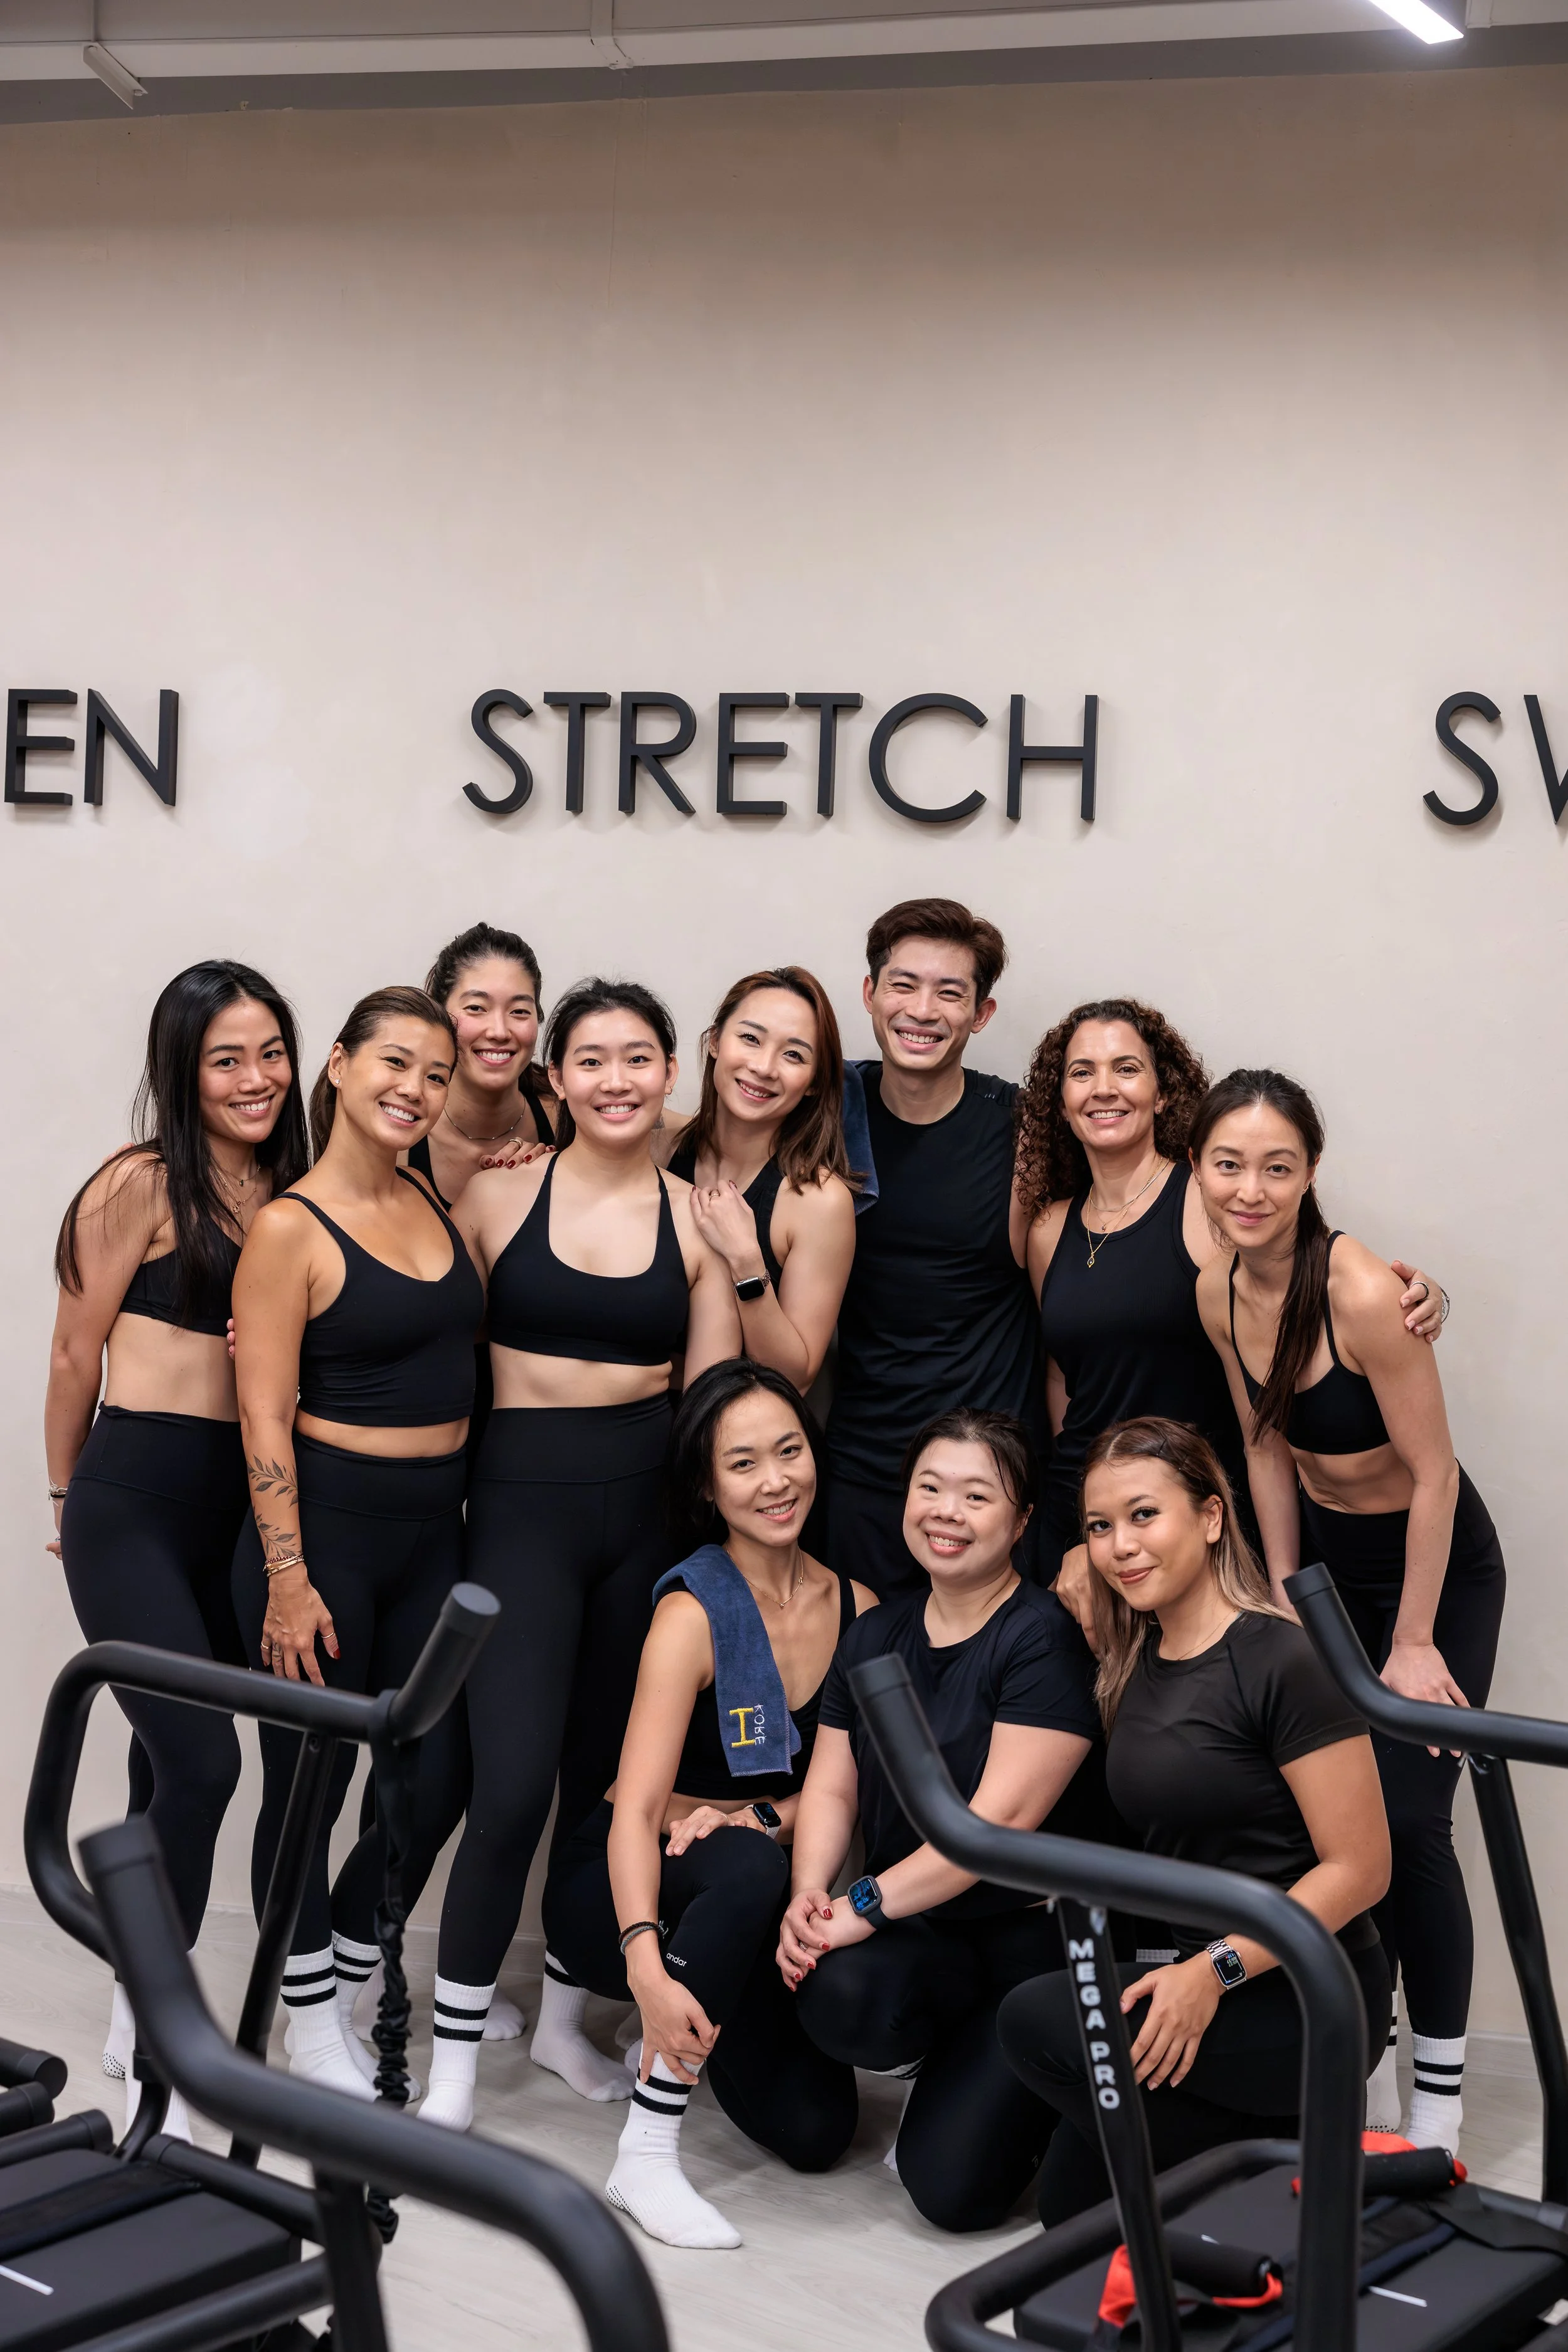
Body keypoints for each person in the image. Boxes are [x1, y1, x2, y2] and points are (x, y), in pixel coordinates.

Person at [422, 978, 741, 2131]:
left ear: (671, 1078)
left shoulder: (698, 1218)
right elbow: (419, 1340)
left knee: (608, 1794)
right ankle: (453, 2059)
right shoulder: (496, 1199)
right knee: (506, 1791)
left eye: (640, 1058)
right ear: (555, 1079)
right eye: (593, 1059)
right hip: (518, 1516)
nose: (617, 1079)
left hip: (643, 1528)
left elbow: (711, 1409)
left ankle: (563, 2021)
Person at [1192, 1069, 1505, 2149]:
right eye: (1228, 1164)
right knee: (1333, 1825)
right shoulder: (1216, 1289)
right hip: (1326, 1565)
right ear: (1200, 1169)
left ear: (1310, 1173)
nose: (1251, 1187)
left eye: (1277, 1167)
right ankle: (1358, 2063)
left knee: (1413, 1827)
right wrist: (1282, 1582)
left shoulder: (1363, 1290)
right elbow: (1264, 1443)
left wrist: (1414, 1639)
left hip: (1433, 1569)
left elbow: (1436, 1475)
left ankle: (1442, 2095)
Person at [998, 1416, 1392, 2221]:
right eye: (1100, 1527)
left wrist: (1211, 1970)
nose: (1120, 1547)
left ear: (1211, 1518)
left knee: (1035, 2020)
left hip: (1304, 1991)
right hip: (1196, 1982)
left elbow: (1360, 1869)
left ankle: (1285, 2142)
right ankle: (1265, 2151)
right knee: (1068, 2212)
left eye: (1144, 1515)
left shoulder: (1283, 1657)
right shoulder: (1133, 1664)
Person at [48, 960, 307, 2134]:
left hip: (236, 1518)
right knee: (205, 1765)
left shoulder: (300, 1191)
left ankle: (131, 1986)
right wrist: (65, 1497)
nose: (255, 1080)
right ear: (181, 1070)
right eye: (225, 1059)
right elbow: (72, 1359)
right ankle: (160, 2007)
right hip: (133, 1501)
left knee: (168, 1765)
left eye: (270, 1052)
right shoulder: (140, 1184)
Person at [544, 1360, 873, 2247]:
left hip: (743, 1889)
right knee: (741, 1863)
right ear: (706, 1485)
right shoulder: (691, 1610)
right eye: (743, 1463)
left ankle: (698, 2001)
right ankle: (645, 2150)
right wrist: (645, 1968)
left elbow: (840, 1786)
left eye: (790, 1450)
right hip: (614, 1895)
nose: (776, 1481)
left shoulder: (858, 1607)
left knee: (818, 2134)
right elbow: (631, 1809)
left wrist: (755, 1816)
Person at [231, 985, 484, 2099]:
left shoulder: (430, 1192)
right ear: (336, 1065)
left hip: (437, 1532)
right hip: (327, 1534)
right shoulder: (289, 1227)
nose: (415, 1090)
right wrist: (288, 1580)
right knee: (307, 1788)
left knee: (435, 1774)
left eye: (436, 1074)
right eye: (393, 1063)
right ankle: (305, 2019)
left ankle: (339, 1964)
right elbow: (261, 1413)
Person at [781, 1409, 1103, 2232]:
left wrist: (857, 1907)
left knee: (952, 2195)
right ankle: (950, 2054)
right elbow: (831, 1789)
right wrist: (811, 1894)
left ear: (1023, 1520)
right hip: (922, 1931)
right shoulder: (875, 1631)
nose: (945, 1511)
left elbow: (993, 1826)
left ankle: (1040, 2083)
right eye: (930, 1487)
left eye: (975, 1495)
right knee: (837, 1990)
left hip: (1027, 1956)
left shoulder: (1041, 1637)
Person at [1014, 1000, 1444, 1590]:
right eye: (1082, 1072)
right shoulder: (1048, 1229)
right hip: (1085, 1511)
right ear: (1060, 1099)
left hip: (1198, 1511)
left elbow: (1305, 1281)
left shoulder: (1211, 1196)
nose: (1104, 1088)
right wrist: (1086, 1521)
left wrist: (1430, 1297)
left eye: (1128, 1069)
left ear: (1163, 1093)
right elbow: (1064, 1376)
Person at [827, 899, 1041, 1597]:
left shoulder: (1022, 1129)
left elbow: (1150, 1199)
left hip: (991, 1482)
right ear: (869, 993)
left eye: (950, 992)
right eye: (903, 984)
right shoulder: (827, 1110)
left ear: (980, 1014)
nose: (922, 1010)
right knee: (863, 1694)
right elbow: (700, 1131)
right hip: (860, 1473)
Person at [660, 967, 857, 1394]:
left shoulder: (817, 1200)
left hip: (738, 1441)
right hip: (635, 1422)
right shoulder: (657, 1149)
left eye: (794, 1055)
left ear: (812, 1084)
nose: (764, 1067)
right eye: (750, 1038)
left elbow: (795, 1377)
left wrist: (746, 1261)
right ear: (715, 1041)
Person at [405, 921, 556, 1210]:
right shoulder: (399, 1134)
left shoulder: (569, 1121)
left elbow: (660, 1126)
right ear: (439, 1014)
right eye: (476, 1008)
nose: (499, 1031)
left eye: (519, 1011)